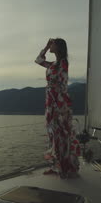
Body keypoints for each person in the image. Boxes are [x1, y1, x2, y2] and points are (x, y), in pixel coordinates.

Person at [35, 38, 80, 178]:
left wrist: (58, 102)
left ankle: (65, 167)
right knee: (52, 135)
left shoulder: (63, 63)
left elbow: (61, 82)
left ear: (59, 47)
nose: (51, 46)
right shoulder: (52, 64)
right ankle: (55, 166)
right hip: (50, 103)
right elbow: (38, 60)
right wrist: (46, 46)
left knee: (62, 135)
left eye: (52, 44)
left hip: (60, 104)